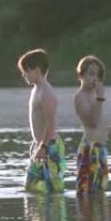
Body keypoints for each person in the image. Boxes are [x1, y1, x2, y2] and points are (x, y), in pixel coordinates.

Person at [18, 49, 67, 194]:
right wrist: (37, 145)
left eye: (26, 70)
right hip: (39, 146)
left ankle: (53, 215)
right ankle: (36, 216)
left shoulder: (46, 93)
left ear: (37, 70)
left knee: (52, 189)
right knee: (31, 188)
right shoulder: (36, 90)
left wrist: (44, 147)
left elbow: (51, 124)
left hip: (49, 146)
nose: (23, 74)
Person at [74, 55, 111, 194]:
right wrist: (100, 98)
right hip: (88, 151)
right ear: (81, 75)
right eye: (91, 73)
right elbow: (92, 122)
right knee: (86, 192)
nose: (94, 78)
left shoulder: (94, 97)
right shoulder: (80, 96)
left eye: (98, 75)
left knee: (100, 191)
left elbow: (97, 128)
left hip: (100, 149)